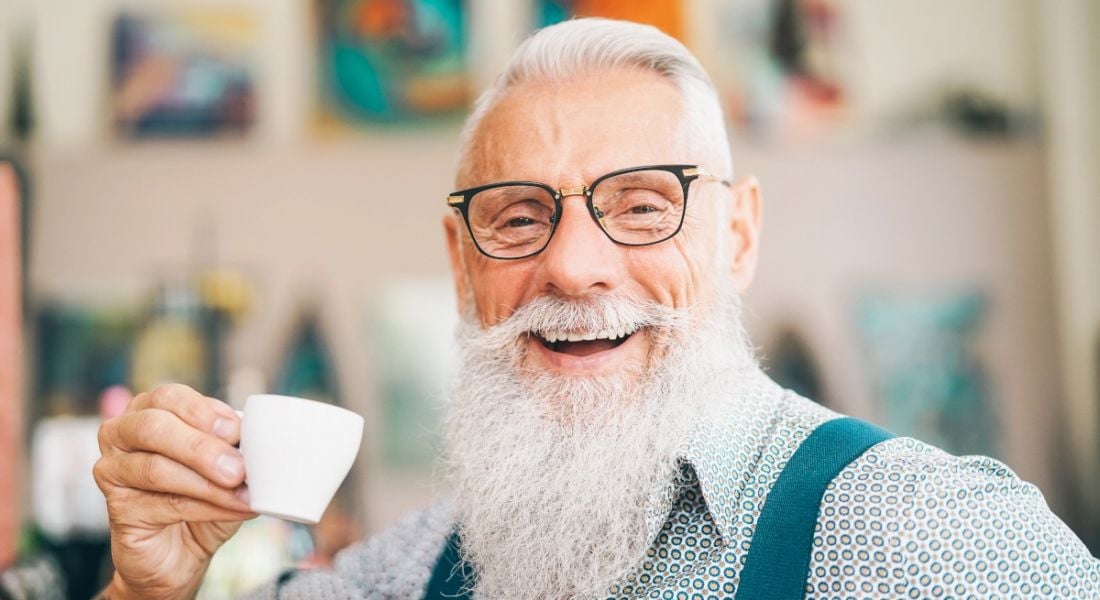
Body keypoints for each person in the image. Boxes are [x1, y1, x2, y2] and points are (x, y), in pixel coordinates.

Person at [94, 18, 1100, 599]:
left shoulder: (924, 541)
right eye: (518, 215)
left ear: (736, 235)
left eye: (641, 204)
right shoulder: (412, 572)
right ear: (460, 261)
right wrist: (145, 590)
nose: (575, 267)